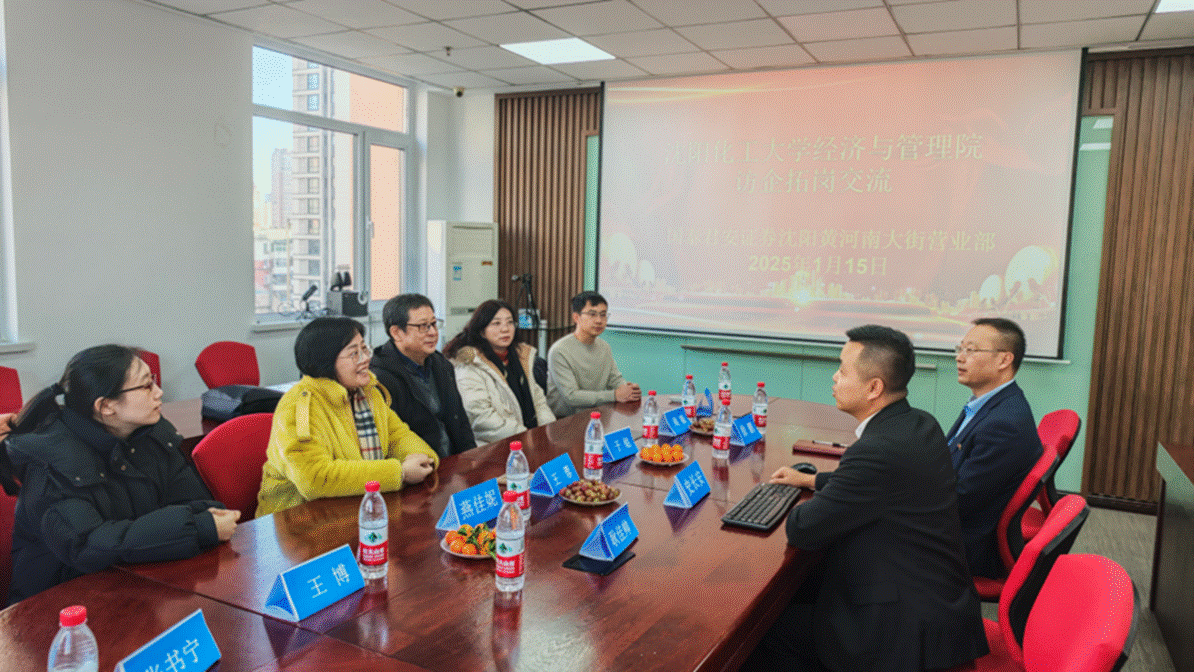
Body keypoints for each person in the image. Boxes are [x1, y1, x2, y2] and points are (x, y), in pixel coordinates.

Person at [749, 325, 987, 672]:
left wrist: (784, 498)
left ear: (874, 387)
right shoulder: (919, 423)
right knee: (801, 593)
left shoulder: (877, 450)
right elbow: (885, 486)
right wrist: (814, 480)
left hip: (899, 629)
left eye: (843, 370)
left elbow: (804, 528)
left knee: (764, 632)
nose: (834, 377)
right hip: (940, 605)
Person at [4, 345, 239, 604]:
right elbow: (88, 544)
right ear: (106, 406)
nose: (159, 392)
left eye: (154, 381)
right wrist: (197, 527)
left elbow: (196, 502)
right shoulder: (52, 461)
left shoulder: (152, 433)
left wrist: (198, 522)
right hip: (57, 604)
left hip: (134, 582)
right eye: (146, 386)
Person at [257, 317, 438, 516]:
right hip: (299, 519)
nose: (366, 358)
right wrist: (400, 473)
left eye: (364, 348)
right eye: (354, 354)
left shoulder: (368, 392)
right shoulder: (299, 406)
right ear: (326, 362)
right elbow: (314, 478)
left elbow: (398, 435)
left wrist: (422, 458)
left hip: (359, 506)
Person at [948, 317, 1043, 579]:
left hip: (964, 547)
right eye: (960, 349)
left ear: (1004, 360)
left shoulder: (1003, 425)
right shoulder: (989, 404)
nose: (960, 358)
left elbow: (958, 500)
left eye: (971, 350)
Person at [370, 294, 476, 457]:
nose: (433, 332)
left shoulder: (442, 365)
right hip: (419, 465)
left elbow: (460, 420)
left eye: (433, 324)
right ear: (396, 332)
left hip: (454, 461)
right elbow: (391, 441)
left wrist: (471, 458)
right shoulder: (379, 378)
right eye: (423, 326)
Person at [444, 300, 555, 446]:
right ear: (482, 331)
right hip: (494, 447)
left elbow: (538, 401)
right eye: (496, 323)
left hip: (530, 440)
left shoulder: (520, 357)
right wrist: (526, 437)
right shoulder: (469, 364)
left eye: (510, 322)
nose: (505, 329)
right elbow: (481, 418)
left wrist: (547, 432)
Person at [546, 291, 640, 417]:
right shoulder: (559, 350)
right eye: (592, 314)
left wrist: (629, 390)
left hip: (597, 416)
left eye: (603, 315)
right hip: (565, 422)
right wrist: (614, 395)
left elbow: (615, 379)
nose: (599, 321)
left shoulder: (604, 347)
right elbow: (571, 396)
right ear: (576, 317)